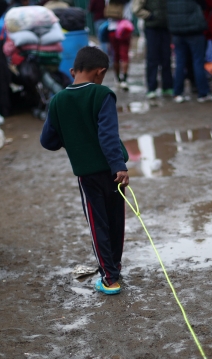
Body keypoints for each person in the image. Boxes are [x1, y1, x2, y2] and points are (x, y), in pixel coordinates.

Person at [40, 47, 130, 295]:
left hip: (87, 176)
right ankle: (115, 269)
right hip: (114, 173)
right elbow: (108, 135)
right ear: (100, 72)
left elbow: (48, 141)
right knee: (115, 221)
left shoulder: (58, 100)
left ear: (72, 71)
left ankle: (109, 277)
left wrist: (71, 135)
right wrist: (119, 167)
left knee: (97, 224)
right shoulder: (103, 94)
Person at [166, 0, 212, 103]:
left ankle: (177, 93)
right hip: (194, 31)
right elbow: (204, 5)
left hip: (177, 32)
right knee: (198, 62)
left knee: (180, 63)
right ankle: (203, 93)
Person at [132, 0, 173, 99]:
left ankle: (167, 86)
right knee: (152, 58)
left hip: (166, 27)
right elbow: (136, 9)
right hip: (152, 28)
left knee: (166, 57)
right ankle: (151, 88)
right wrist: (150, 16)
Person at [104, 0, 133, 89]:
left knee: (115, 55)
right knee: (124, 55)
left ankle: (117, 79)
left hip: (112, 28)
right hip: (125, 28)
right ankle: (124, 79)